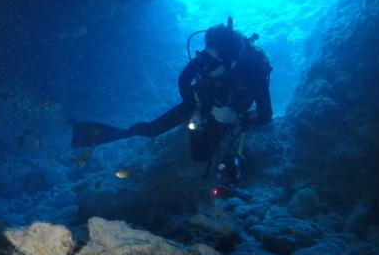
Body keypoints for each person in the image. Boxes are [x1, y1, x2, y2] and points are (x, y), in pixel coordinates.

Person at [70, 18, 272, 168]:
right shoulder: (207, 59)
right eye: (203, 56)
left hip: (230, 107)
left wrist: (237, 117)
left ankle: (203, 129)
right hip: (204, 98)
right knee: (151, 130)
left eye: (210, 61)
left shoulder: (254, 71)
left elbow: (265, 115)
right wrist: (193, 107)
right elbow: (183, 80)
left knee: (200, 155)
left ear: (231, 62)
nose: (202, 65)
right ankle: (98, 133)